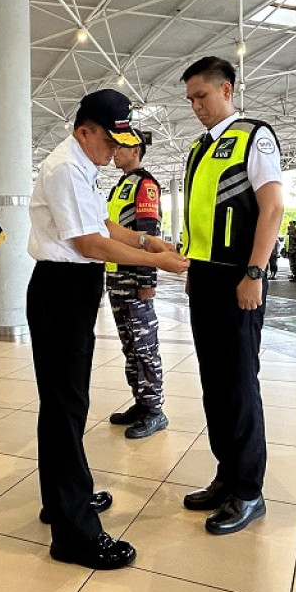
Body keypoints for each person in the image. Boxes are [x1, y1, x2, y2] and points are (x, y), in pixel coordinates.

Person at [28, 89, 188, 569]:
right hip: (61, 289)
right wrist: (157, 260)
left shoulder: (84, 167)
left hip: (74, 289)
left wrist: (146, 238)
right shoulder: (64, 168)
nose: (116, 150)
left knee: (68, 402)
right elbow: (91, 242)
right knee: (64, 404)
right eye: (110, 140)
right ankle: (73, 534)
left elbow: (104, 226)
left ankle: (62, 500)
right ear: (85, 131)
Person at [179, 56, 283, 535]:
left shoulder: (253, 136)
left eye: (202, 95)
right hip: (204, 276)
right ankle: (226, 473)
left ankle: (249, 490)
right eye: (191, 99)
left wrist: (255, 272)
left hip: (238, 277)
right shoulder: (200, 148)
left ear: (226, 88)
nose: (196, 106)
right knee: (215, 382)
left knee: (239, 382)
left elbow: (272, 207)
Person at [104, 131, 169, 439]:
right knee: (130, 346)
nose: (115, 151)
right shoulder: (121, 185)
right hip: (117, 276)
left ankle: (155, 410)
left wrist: (147, 279)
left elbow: (148, 234)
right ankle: (141, 403)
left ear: (137, 150)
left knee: (145, 347)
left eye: (122, 147)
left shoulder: (146, 185)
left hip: (134, 278)